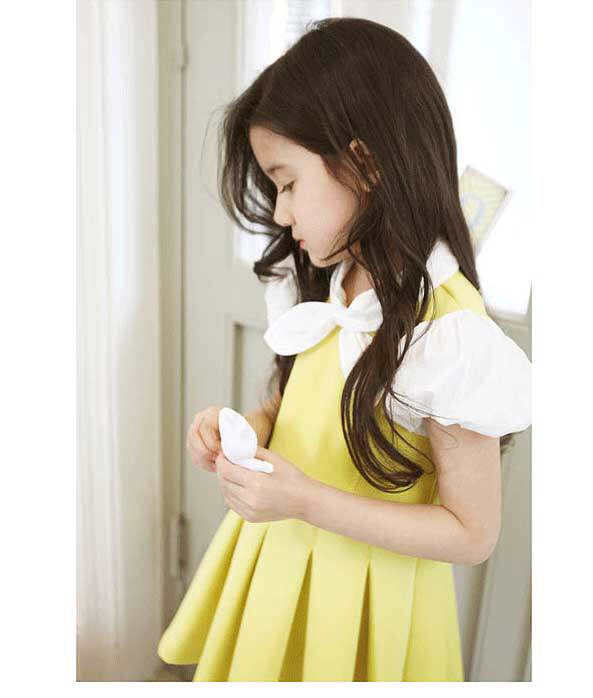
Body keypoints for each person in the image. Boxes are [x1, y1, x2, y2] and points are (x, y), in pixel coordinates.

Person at [157, 17, 532, 681]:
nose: (279, 213)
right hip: (279, 563)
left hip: (365, 604)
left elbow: (472, 533)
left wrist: (305, 501)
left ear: (364, 162)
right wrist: (250, 429)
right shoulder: (327, 275)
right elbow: (299, 397)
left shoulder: (444, 335)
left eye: (287, 183)